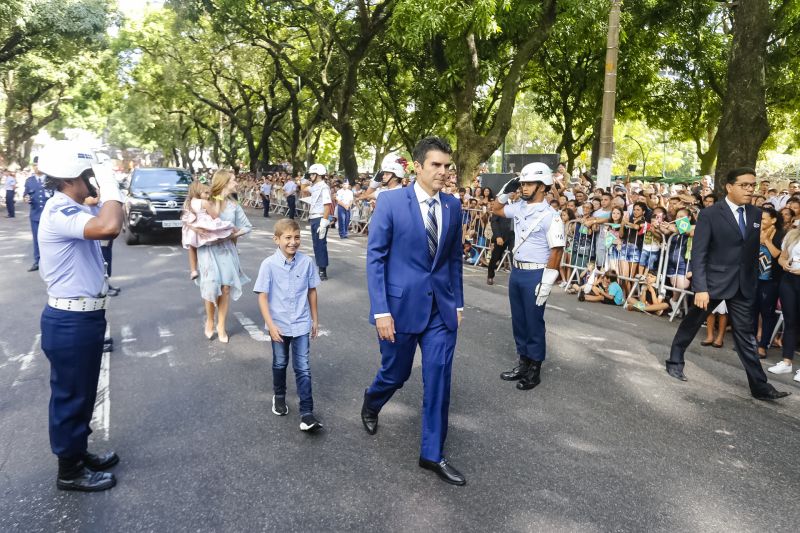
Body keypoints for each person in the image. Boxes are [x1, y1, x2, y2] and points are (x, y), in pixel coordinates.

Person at [360, 136, 466, 486]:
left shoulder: (453, 206)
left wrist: (458, 303)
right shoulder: (390, 202)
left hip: (441, 311)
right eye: (436, 165)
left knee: (438, 380)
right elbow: (376, 258)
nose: (443, 172)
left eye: (446, 165)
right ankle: (373, 401)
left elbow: (452, 260)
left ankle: (431, 454)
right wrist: (381, 312)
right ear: (417, 167)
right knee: (396, 373)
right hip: (399, 308)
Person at [35, 140, 125, 491]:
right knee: (70, 396)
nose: (91, 181)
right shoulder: (60, 211)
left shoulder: (71, 207)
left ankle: (78, 451)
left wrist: (104, 195)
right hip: (70, 321)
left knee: (83, 392)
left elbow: (111, 219)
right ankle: (68, 471)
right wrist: (111, 183)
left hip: (83, 319)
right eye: (87, 175)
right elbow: (110, 228)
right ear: (71, 178)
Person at [665, 167, 789, 401]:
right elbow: (700, 252)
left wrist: (751, 282)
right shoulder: (711, 214)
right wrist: (700, 287)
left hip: (742, 286)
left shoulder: (755, 214)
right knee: (693, 323)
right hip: (712, 283)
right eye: (744, 185)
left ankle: (759, 386)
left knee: (746, 336)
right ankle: (675, 360)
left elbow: (750, 251)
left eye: (752, 185)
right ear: (729, 187)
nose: (750, 189)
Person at [491, 162, 565, 391]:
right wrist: (507, 189)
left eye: (529, 183)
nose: (524, 187)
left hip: (536, 273)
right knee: (519, 321)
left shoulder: (550, 216)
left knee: (533, 323)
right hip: (517, 271)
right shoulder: (519, 207)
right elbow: (495, 209)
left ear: (543, 186)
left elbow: (557, 250)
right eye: (522, 183)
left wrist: (546, 283)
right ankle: (523, 363)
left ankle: (534, 369)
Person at [254, 218, 323, 431]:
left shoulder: (307, 262)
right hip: (279, 326)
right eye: (287, 238)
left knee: (303, 367)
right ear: (277, 240)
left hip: (301, 323)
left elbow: (312, 291)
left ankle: (307, 413)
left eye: (297, 237)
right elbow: (262, 297)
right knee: (280, 363)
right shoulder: (269, 265)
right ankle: (280, 396)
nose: (293, 242)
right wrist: (270, 325)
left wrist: (315, 319)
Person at [196, 169, 252, 343]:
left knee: (226, 288)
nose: (236, 183)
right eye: (233, 180)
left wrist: (232, 235)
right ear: (224, 182)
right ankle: (210, 320)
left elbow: (247, 226)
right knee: (211, 287)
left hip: (227, 250)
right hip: (208, 250)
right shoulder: (206, 201)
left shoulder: (234, 205)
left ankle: (221, 325)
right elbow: (192, 218)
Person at [181, 180, 234, 280]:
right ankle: (234, 238)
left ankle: (193, 270)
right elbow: (215, 215)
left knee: (192, 248)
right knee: (225, 231)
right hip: (204, 227)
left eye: (208, 193)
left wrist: (194, 228)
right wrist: (218, 202)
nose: (208, 195)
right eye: (206, 193)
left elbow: (185, 220)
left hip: (192, 230)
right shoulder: (204, 202)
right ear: (197, 191)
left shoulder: (188, 203)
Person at [767, 225, 800, 381]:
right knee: (790, 321)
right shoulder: (792, 234)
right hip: (788, 281)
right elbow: (781, 257)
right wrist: (784, 263)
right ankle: (787, 362)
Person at [753, 206, 783, 358]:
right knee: (752, 310)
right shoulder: (754, 230)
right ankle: (750, 344)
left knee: (767, 313)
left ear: (773, 220)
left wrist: (766, 241)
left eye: (763, 219)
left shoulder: (781, 235)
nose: (760, 221)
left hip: (771, 280)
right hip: (754, 277)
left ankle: (763, 345)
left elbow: (777, 254)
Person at [301, 163, 332, 280]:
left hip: (320, 217)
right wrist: (304, 177)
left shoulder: (324, 187)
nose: (310, 176)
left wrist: (324, 221)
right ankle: (319, 266)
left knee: (320, 244)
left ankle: (322, 270)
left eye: (312, 174)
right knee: (315, 244)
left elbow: (327, 205)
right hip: (314, 217)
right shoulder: (315, 186)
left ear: (318, 174)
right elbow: (303, 189)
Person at [23, 159, 52, 271]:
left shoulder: (50, 180)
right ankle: (37, 261)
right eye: (34, 165)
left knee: (50, 239)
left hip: (49, 215)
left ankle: (50, 262)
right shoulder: (29, 181)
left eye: (38, 165)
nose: (36, 167)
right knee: (37, 239)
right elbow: (25, 194)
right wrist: (26, 198)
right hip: (35, 215)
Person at [486, 203, 514, 285]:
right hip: (502, 235)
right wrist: (498, 236)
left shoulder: (521, 204)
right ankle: (490, 276)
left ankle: (515, 280)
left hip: (515, 235)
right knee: (496, 256)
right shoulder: (501, 204)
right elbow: (494, 221)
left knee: (515, 256)